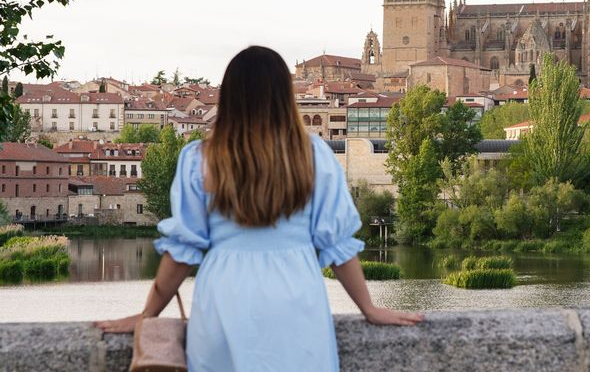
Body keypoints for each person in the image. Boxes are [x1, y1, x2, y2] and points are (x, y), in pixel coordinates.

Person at [96, 46, 423, 371]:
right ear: (284, 95)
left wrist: (146, 315)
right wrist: (369, 308)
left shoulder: (200, 159)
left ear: (230, 96)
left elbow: (182, 250)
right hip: (297, 297)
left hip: (224, 299)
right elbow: (336, 245)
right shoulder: (314, 155)